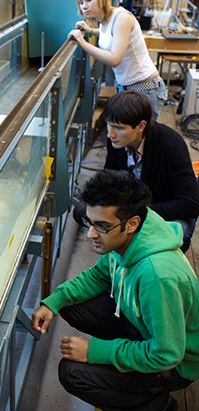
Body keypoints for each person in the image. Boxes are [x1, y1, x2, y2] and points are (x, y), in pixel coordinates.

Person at [32, 169, 199, 411]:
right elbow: (100, 275)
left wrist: (97, 351)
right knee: (69, 305)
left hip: (174, 364)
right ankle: (127, 354)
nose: (91, 234)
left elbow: (166, 354)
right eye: (90, 222)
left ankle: (156, 404)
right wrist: (54, 301)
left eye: (101, 226)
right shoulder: (129, 237)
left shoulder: (157, 277)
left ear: (132, 224)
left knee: (71, 373)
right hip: (143, 327)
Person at [74, 90, 199, 252]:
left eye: (118, 127)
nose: (110, 134)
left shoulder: (171, 145)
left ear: (141, 126)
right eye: (109, 124)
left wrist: (133, 213)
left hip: (168, 216)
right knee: (81, 212)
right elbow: (108, 180)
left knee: (154, 244)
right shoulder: (116, 141)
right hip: (133, 211)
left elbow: (191, 204)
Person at [68, 0, 167, 120]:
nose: (84, 6)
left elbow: (114, 59)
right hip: (126, 86)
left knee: (143, 138)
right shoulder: (103, 20)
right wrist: (90, 31)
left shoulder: (121, 18)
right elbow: (108, 34)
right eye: (81, 2)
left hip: (145, 88)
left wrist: (82, 42)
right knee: (126, 137)